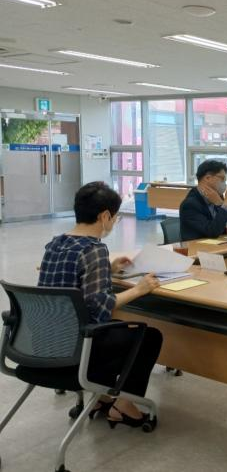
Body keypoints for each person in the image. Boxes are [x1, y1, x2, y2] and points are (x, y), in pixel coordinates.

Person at [38, 182, 162, 428]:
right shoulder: (94, 249)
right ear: (104, 216)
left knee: (112, 331)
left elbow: (70, 280)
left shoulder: (55, 243)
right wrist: (139, 289)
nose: (114, 222)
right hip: (77, 348)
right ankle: (124, 404)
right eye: (115, 218)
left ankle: (101, 397)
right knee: (149, 337)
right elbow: (100, 307)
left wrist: (107, 269)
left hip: (48, 342)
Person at [180, 160, 227, 241]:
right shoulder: (190, 205)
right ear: (208, 178)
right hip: (198, 247)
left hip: (218, 245)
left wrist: (221, 203)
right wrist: (225, 204)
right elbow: (212, 232)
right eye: (222, 179)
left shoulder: (217, 197)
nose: (224, 183)